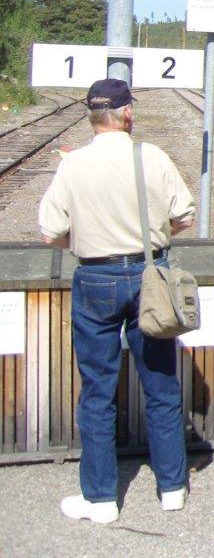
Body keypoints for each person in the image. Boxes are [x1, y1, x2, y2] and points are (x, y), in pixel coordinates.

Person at [38, 79, 196, 524]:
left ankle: (101, 499)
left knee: (98, 392)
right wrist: (150, 240)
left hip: (95, 278)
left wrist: (86, 239)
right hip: (149, 276)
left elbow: (50, 232)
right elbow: (183, 216)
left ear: (93, 115)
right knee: (161, 384)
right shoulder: (151, 157)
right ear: (127, 113)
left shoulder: (73, 165)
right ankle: (171, 489)